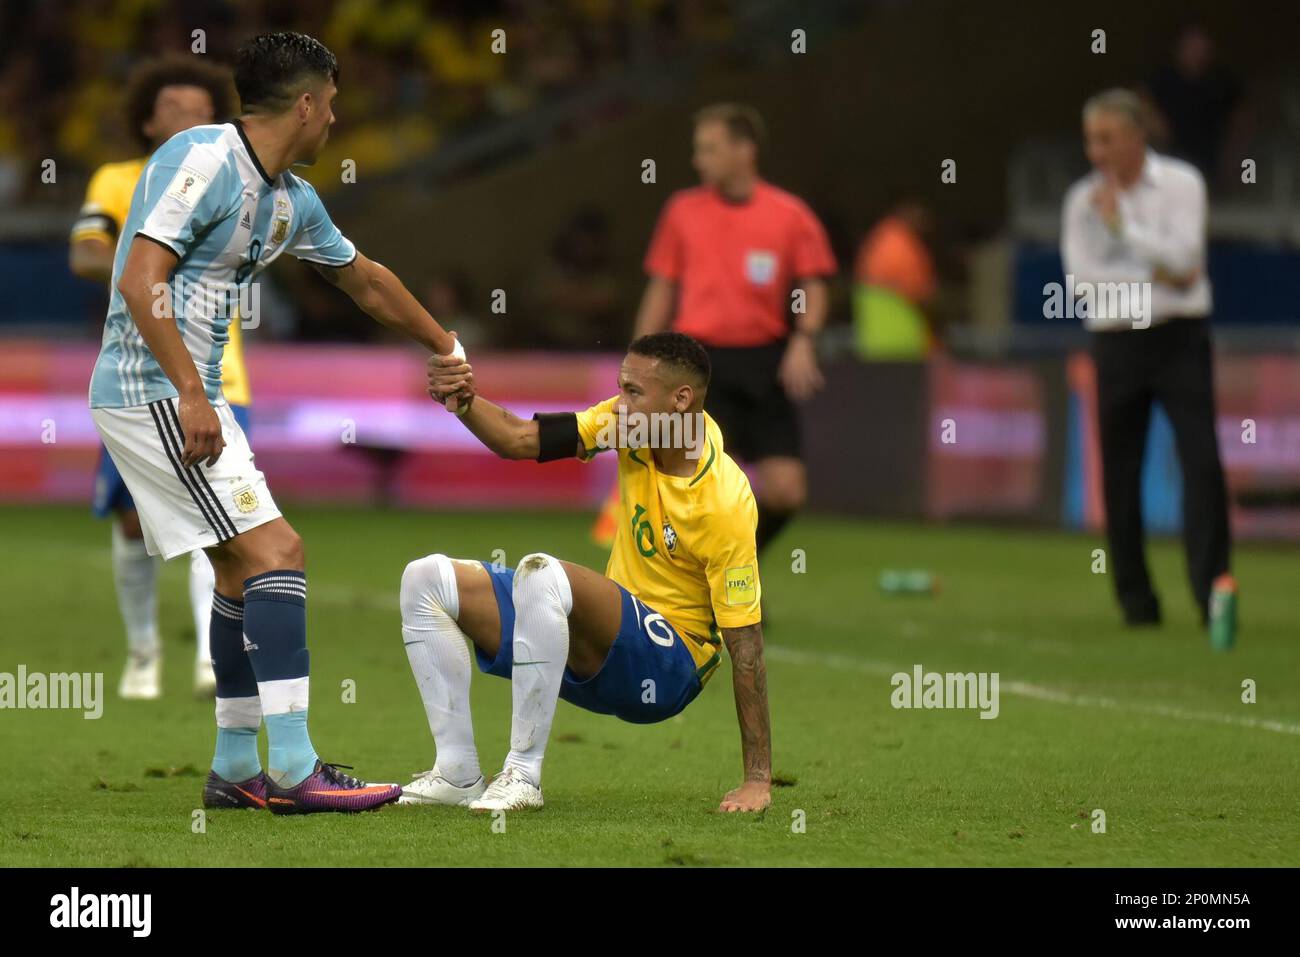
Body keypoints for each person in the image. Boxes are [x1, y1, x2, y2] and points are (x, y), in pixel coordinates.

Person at [88, 32, 464, 814]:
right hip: (154, 388)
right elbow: (139, 276)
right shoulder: (204, 159)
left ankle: (235, 767)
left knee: (236, 571)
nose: (335, 118)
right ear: (304, 102)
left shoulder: (291, 197)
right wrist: (191, 391)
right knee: (279, 550)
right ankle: (294, 767)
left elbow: (363, 279)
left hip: (184, 392)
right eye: (331, 102)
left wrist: (444, 343)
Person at [402, 332, 772, 813]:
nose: (619, 404)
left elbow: (745, 642)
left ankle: (523, 777)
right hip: (602, 648)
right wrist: (462, 400)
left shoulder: (725, 500)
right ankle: (456, 772)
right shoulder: (630, 426)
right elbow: (519, 439)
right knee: (426, 578)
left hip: (668, 667)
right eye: (621, 387)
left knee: (542, 572)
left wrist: (757, 779)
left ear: (681, 400)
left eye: (633, 392)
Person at [70, 54, 240, 700]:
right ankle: (143, 652)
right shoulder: (120, 180)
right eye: (175, 111)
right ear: (145, 121)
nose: (190, 123)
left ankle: (208, 656)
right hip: (137, 382)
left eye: (202, 114)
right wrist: (147, 261)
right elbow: (85, 249)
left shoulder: (236, 179)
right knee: (134, 523)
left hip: (225, 382)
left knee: (220, 521)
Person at [1061, 88, 1235, 636]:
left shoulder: (1181, 184)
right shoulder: (1079, 201)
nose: (1096, 152)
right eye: (1090, 140)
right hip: (1117, 345)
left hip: (1180, 341)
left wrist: (1124, 232)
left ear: (1137, 137)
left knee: (1202, 464)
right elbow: (1082, 287)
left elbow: (1187, 261)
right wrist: (1154, 282)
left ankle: (1213, 595)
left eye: (1107, 138)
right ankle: (1136, 602)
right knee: (1119, 472)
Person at [630, 103, 836, 565]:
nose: (698, 160)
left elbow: (814, 286)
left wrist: (804, 339)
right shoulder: (682, 211)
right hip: (698, 364)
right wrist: (639, 363)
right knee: (699, 488)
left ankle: (732, 565)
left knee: (786, 491)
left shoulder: (790, 215)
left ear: (745, 151)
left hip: (765, 360)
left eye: (709, 149)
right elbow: (662, 286)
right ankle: (705, 586)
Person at [852, 199, 938, 360]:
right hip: (901, 344)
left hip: (875, 343)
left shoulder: (881, 239)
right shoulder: (901, 245)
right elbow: (922, 292)